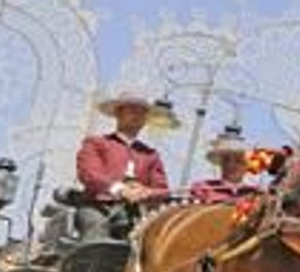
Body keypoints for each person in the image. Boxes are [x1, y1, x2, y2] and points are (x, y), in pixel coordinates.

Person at [73, 89, 174, 240]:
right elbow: (89, 174)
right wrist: (120, 189)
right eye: (132, 110)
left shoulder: (150, 154)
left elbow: (162, 190)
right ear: (119, 114)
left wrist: (146, 192)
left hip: (138, 213)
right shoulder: (96, 143)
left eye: (142, 113)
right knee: (95, 229)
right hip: (98, 207)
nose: (137, 116)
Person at [187, 125, 260, 204]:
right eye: (226, 160)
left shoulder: (255, 193)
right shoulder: (203, 188)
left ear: (246, 166)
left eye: (238, 161)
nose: (231, 165)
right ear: (221, 163)